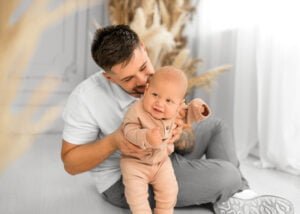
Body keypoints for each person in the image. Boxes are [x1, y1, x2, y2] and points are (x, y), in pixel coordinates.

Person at [61, 24, 294, 214]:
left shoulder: (156, 79)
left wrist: (179, 132)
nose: (143, 82)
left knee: (217, 127)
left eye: (144, 67)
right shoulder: (85, 99)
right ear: (109, 78)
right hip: (127, 178)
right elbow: (70, 163)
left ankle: (237, 197)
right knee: (228, 174)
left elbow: (182, 133)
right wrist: (114, 141)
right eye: (128, 79)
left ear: (143, 47)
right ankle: (232, 191)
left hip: (163, 156)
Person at [121, 66, 210, 214]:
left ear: (178, 103)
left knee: (169, 191)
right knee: (136, 197)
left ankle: (164, 211)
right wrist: (146, 136)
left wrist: (199, 109)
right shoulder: (136, 110)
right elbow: (128, 130)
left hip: (161, 163)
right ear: (147, 89)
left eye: (169, 100)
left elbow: (189, 114)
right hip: (135, 164)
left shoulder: (176, 111)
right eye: (155, 94)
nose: (160, 103)